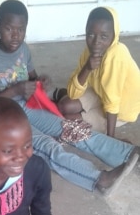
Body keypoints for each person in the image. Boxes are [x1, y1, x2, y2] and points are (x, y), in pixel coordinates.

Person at [0, 0, 139, 195]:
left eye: (21, 29)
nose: (15, 36)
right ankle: (99, 179)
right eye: (9, 29)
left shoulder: (22, 48)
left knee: (73, 129)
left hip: (26, 106)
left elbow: (31, 76)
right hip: (0, 118)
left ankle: (126, 154)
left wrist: (40, 80)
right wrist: (15, 90)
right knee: (46, 146)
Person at [57, 7, 140, 137]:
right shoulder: (88, 52)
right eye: (91, 35)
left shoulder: (116, 56)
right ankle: (62, 94)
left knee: (67, 120)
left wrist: (110, 138)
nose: (96, 42)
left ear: (114, 36)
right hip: (100, 92)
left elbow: (113, 101)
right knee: (64, 106)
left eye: (104, 36)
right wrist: (87, 68)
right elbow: (73, 93)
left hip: (121, 108)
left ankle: (63, 95)